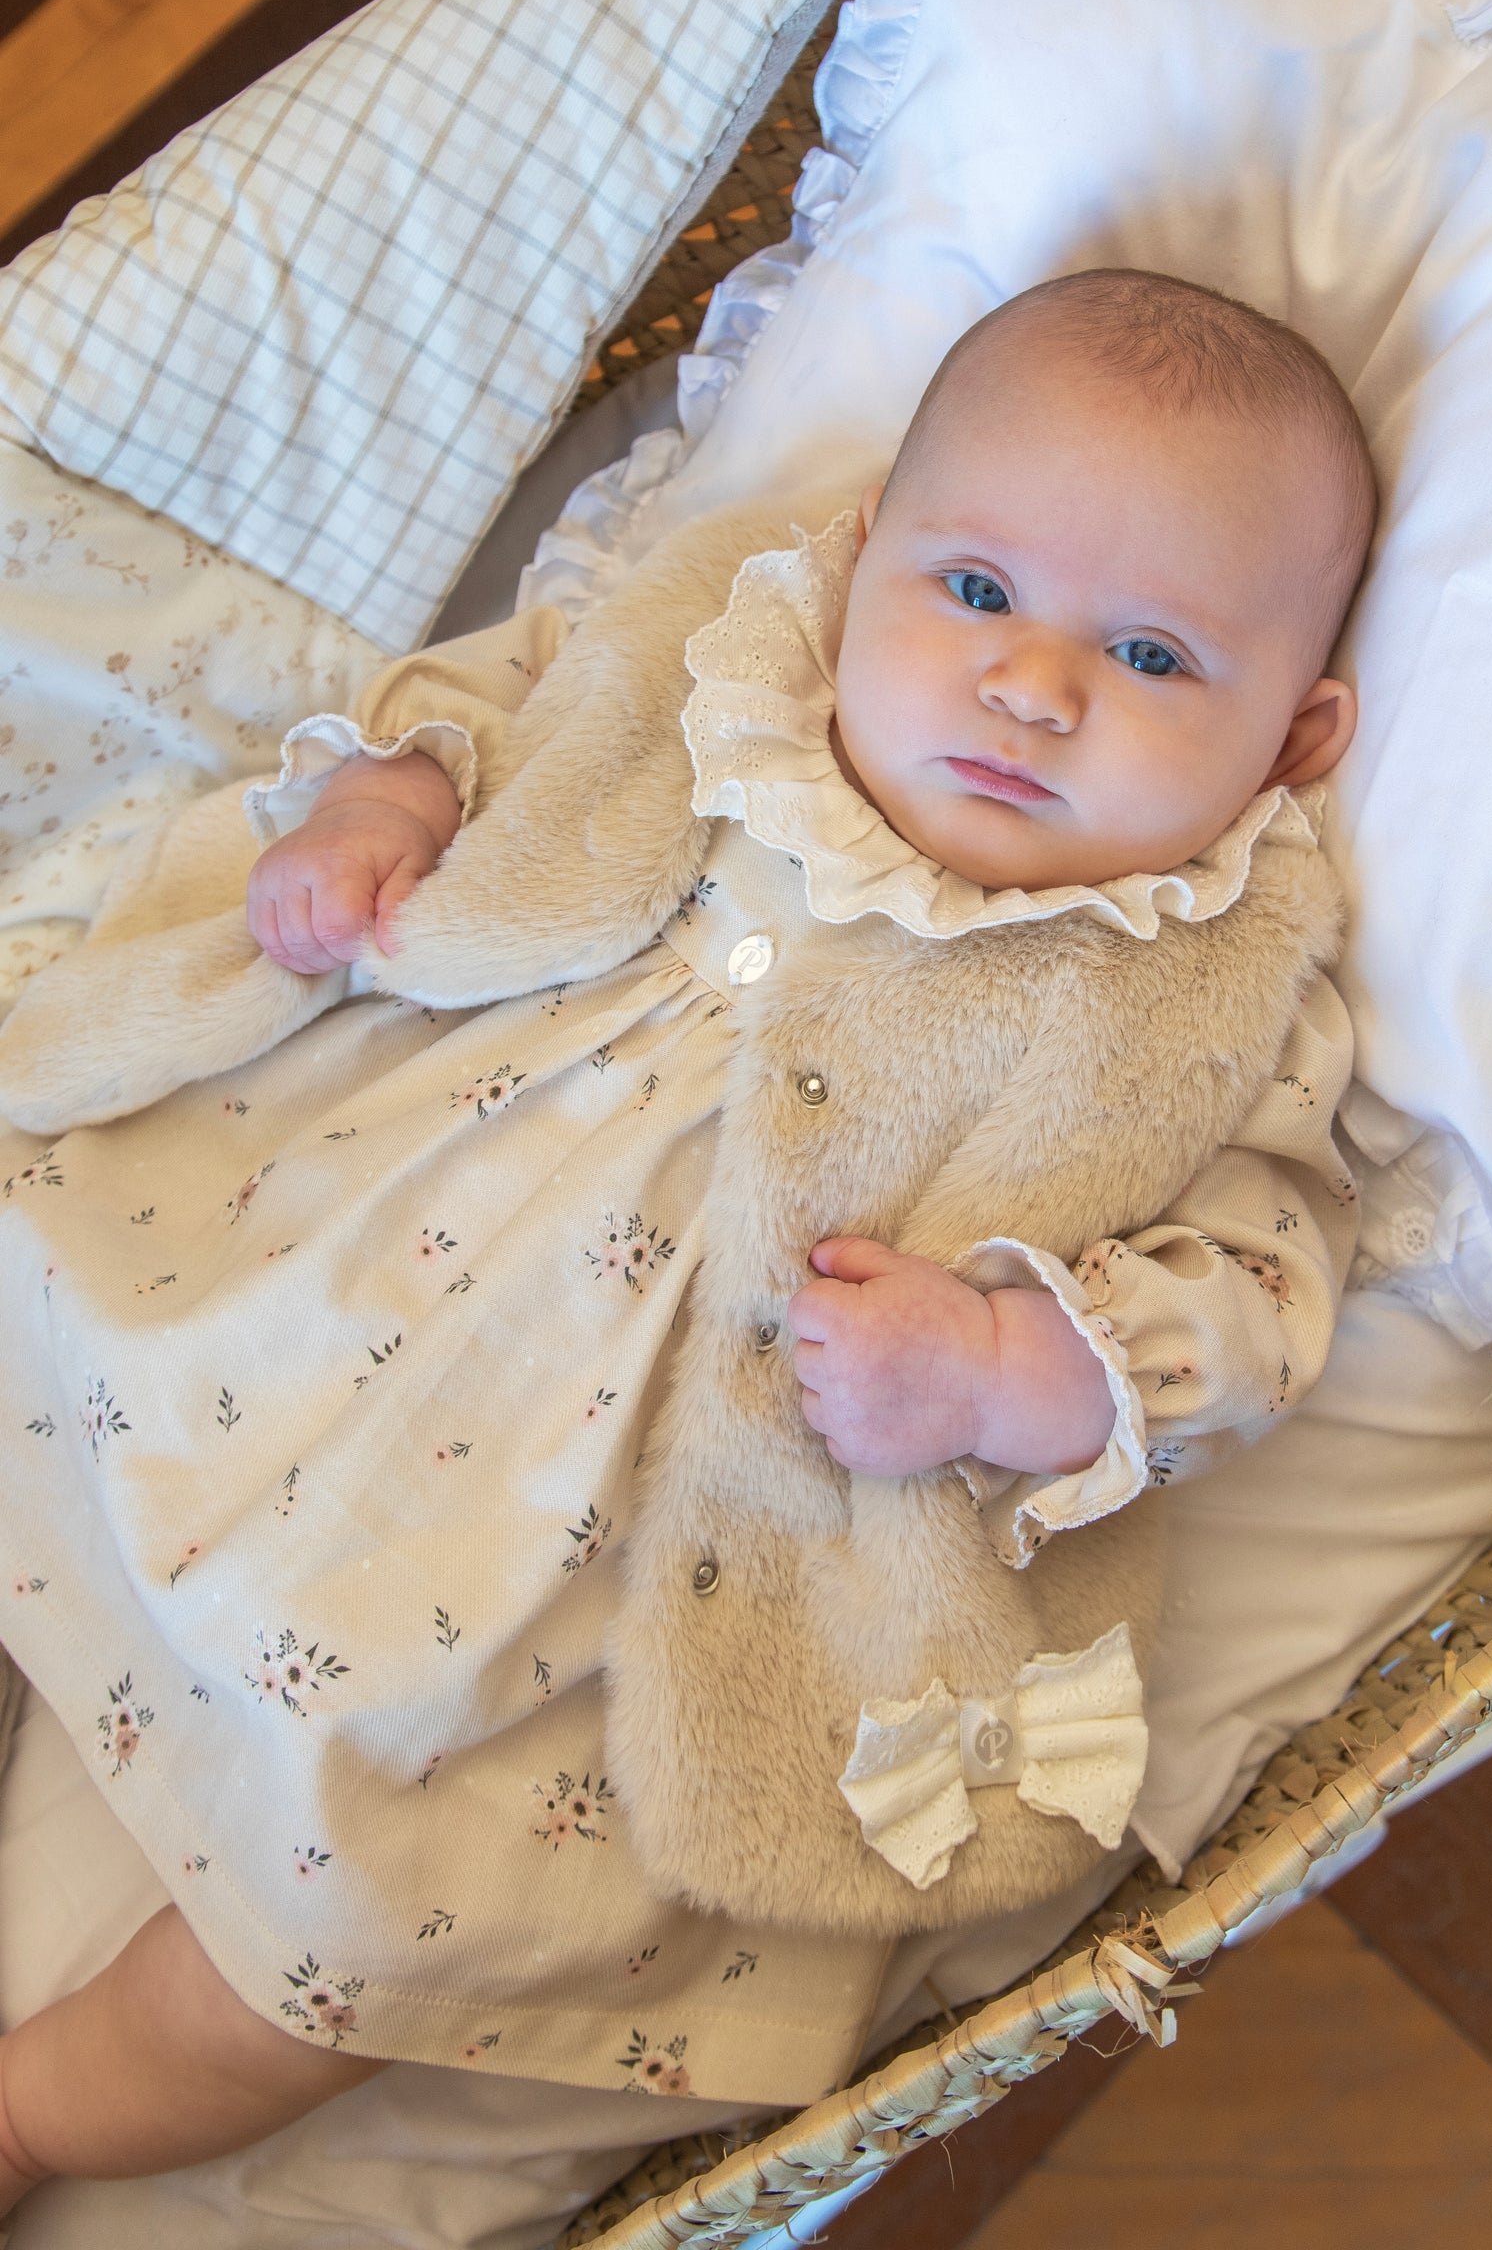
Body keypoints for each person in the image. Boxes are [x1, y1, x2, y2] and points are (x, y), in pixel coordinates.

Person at [0, 269, 1372, 2212]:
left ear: (1296, 734)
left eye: (1150, 657)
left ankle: (40, 2112)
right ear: (867, 544)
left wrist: (1015, 1366)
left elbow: (1261, 1279)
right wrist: (389, 803)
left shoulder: (1202, 984)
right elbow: (497, 702)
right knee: (43, 1336)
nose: (1031, 684)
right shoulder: (731, 661)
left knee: (406, 1917)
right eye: (972, 592)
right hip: (313, 1257)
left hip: (596, 1535)